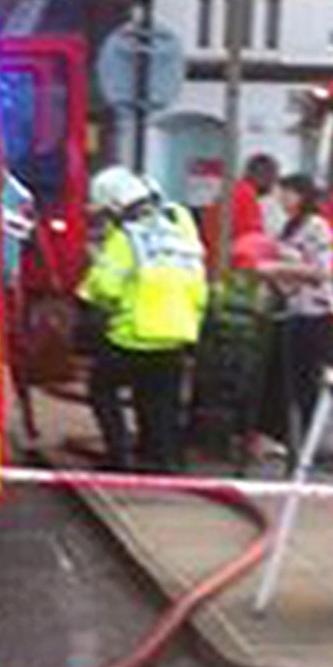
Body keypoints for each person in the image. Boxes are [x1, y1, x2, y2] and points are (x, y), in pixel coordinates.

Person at [78, 165, 209, 472]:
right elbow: (198, 284)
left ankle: (118, 455)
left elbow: (105, 288)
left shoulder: (128, 238)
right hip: (178, 333)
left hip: (134, 333)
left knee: (102, 389)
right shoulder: (180, 231)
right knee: (160, 399)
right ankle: (164, 460)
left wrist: (87, 293)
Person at [257, 173, 333, 464]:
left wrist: (278, 269)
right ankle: (286, 439)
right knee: (284, 381)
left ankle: (304, 444)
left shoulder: (317, 227)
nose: (281, 200)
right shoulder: (286, 228)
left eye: (287, 193)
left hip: (314, 313)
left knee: (306, 383)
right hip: (290, 311)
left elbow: (320, 271)